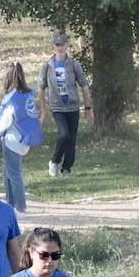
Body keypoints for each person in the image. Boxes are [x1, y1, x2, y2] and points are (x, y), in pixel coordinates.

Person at [39, 33, 92, 177]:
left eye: (62, 44)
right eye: (57, 45)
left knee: (72, 138)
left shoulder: (74, 64)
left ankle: (67, 168)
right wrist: (43, 110)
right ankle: (54, 161)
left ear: (67, 45)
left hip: (73, 106)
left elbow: (84, 86)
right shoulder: (47, 66)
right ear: (54, 46)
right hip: (57, 107)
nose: (60, 47)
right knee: (64, 135)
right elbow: (41, 88)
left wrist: (88, 108)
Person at [0, 62, 41, 213]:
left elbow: (7, 118)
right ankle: (10, 205)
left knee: (14, 174)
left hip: (12, 139)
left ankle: (20, 207)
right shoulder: (25, 95)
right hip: (21, 138)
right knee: (8, 172)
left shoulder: (12, 97)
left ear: (9, 77)